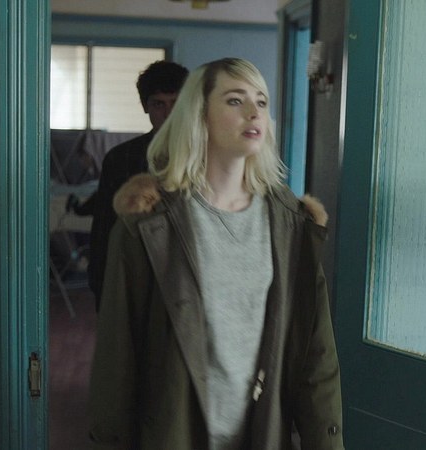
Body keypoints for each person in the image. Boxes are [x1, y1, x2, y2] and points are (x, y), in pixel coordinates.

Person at [87, 57, 344, 449]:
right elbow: (117, 357)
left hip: (262, 434)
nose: (254, 112)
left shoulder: (292, 222)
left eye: (261, 101)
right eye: (235, 100)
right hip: (174, 434)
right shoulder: (149, 224)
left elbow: (316, 353)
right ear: (199, 115)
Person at [81, 60, 189, 307]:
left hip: (187, 277)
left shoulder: (207, 157)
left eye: (176, 103)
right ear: (145, 106)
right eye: (159, 104)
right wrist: (100, 285)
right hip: (135, 272)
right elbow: (104, 227)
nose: (168, 113)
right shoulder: (121, 158)